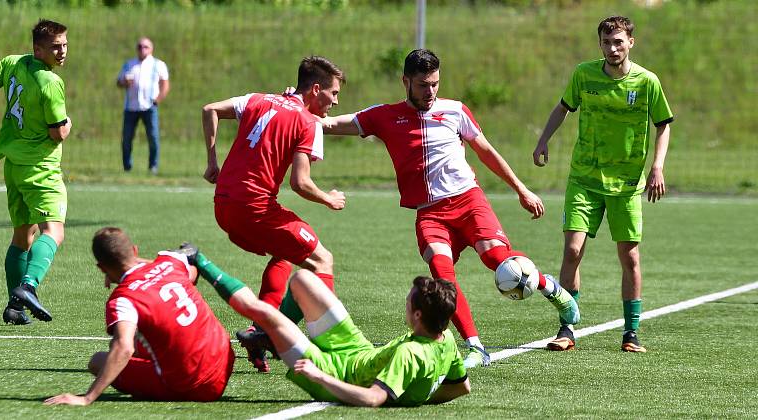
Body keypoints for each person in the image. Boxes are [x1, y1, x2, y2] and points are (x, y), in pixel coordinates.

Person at [314, 49, 580, 368]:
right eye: (424, 85)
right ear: (406, 82)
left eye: (436, 84)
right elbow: (330, 124)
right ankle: (475, 346)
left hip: (469, 202)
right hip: (430, 213)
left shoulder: (455, 111)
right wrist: (292, 106)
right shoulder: (385, 116)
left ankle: (549, 286)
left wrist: (521, 189)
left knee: (498, 260)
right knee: (443, 279)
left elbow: (486, 152)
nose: (431, 92)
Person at [532, 16, 673, 353]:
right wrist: (543, 140)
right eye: (607, 43)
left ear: (631, 43)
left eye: (619, 42)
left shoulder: (647, 82)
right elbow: (563, 107)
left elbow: (664, 124)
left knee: (630, 258)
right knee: (572, 250)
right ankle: (566, 327)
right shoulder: (584, 75)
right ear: (600, 44)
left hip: (625, 184)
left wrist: (657, 167)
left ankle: (631, 333)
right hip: (585, 178)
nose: (612, 49)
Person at [184, 244, 470, 407]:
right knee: (304, 279)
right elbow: (462, 388)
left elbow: (372, 399)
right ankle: (271, 339)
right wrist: (418, 395)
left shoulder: (412, 355)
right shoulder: (444, 340)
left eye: (409, 301)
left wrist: (318, 377)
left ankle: (198, 259)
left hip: (334, 373)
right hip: (359, 351)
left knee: (265, 315)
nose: (405, 301)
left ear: (418, 315)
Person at [201, 56, 346, 372]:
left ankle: (261, 328)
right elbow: (301, 182)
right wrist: (329, 199)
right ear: (316, 88)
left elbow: (210, 109)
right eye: (333, 93)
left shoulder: (259, 99)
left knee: (286, 253)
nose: (336, 101)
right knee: (322, 260)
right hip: (254, 207)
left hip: (224, 204)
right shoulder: (306, 122)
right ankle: (327, 349)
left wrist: (213, 161)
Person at [44, 227, 234, 405]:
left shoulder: (123, 299)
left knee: (99, 360)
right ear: (135, 250)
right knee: (137, 339)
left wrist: (87, 398)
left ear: (102, 268)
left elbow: (124, 348)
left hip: (197, 387)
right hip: (224, 361)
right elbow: (192, 272)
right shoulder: (171, 263)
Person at [0, 19, 72, 325]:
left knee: (23, 236)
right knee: (54, 231)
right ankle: (28, 287)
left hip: (13, 165)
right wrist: (69, 125)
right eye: (55, 47)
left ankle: (14, 307)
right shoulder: (51, 83)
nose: (62, 51)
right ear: (38, 49)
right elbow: (57, 133)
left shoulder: (12, 63)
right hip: (41, 168)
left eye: (65, 44)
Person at [116, 37, 170, 174]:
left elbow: (165, 84)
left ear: (151, 49)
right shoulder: (129, 64)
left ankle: (153, 166)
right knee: (127, 138)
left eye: (145, 46)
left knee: (153, 137)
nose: (142, 49)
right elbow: (119, 82)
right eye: (140, 46)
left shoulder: (158, 64)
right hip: (131, 107)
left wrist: (158, 99)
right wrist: (124, 83)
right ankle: (127, 167)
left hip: (149, 107)